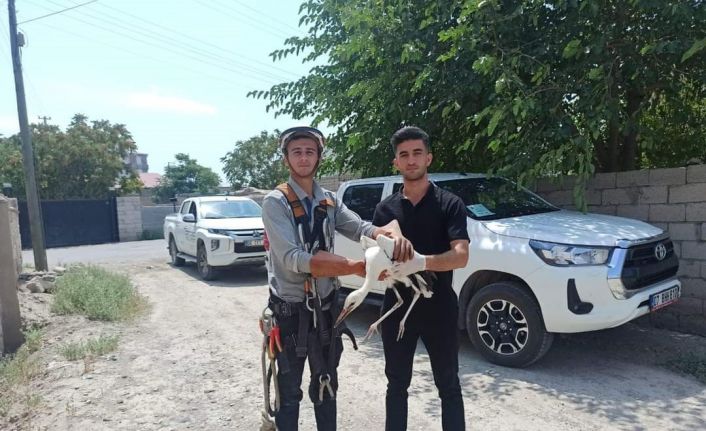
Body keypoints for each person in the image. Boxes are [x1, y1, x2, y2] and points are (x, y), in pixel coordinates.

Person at [262, 126, 412, 431]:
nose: (304, 158)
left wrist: (387, 234)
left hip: (326, 309)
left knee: (326, 387)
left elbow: (359, 227)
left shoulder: (329, 200)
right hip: (290, 312)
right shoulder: (275, 203)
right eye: (296, 152)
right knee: (288, 395)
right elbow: (294, 259)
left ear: (319, 157)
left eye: (310, 151)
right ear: (286, 159)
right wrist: (355, 267)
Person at [373, 126, 470, 431]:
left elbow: (461, 255)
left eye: (417, 153)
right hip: (397, 307)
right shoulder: (385, 210)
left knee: (448, 384)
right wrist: (380, 268)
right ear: (396, 163)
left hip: (440, 308)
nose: (411, 160)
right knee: (396, 384)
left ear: (429, 158)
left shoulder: (449, 203)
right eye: (404, 155)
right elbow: (377, 262)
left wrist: (421, 262)